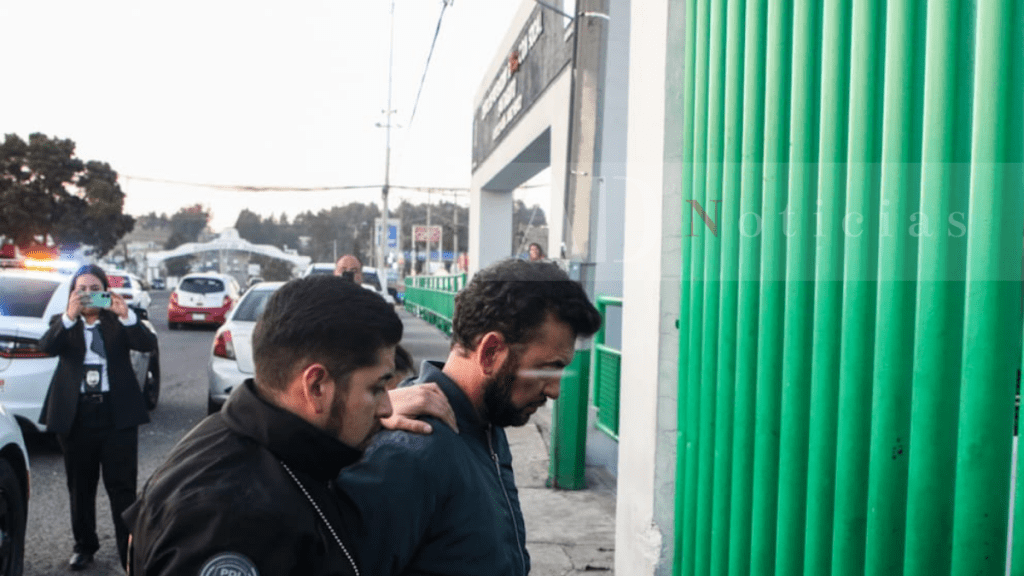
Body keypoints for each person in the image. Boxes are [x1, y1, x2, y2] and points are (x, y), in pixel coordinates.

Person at [123, 275, 456, 575]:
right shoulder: (232, 520)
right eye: (376, 388)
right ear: (316, 387)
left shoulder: (233, 436)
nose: (387, 407)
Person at [335, 258, 602, 575]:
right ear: (491, 352)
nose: (555, 390)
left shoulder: (488, 425)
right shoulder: (410, 454)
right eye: (548, 368)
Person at [39, 264, 157, 571]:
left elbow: (147, 343)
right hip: (77, 415)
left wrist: (127, 315)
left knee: (122, 488)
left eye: (95, 289)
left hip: (116, 414)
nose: (88, 295)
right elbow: (47, 346)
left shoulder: (119, 322)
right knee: (80, 486)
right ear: (72, 294)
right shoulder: (63, 323)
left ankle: (128, 551)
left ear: (106, 292)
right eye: (82, 290)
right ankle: (84, 545)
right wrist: (69, 316)